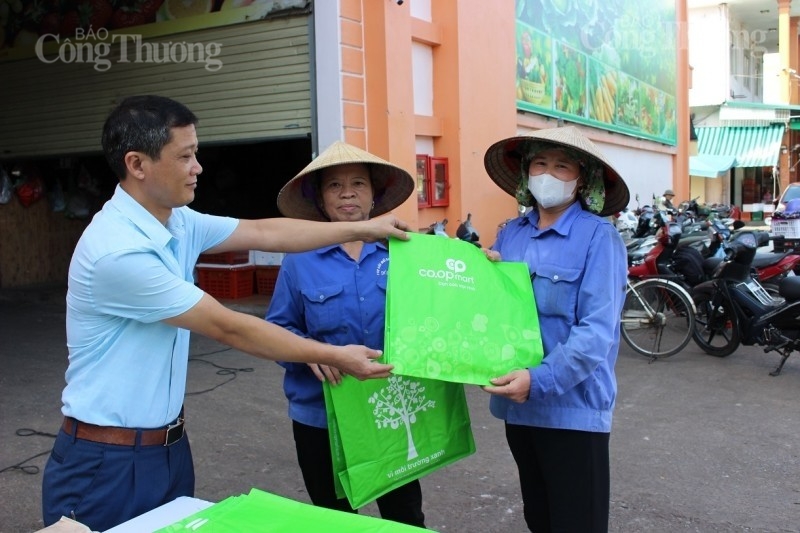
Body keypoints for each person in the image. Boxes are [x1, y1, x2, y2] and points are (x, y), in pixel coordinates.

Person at [41, 96, 411, 531]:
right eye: (184, 156)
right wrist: (333, 355)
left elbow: (263, 231)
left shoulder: (178, 221)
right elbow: (228, 326)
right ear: (137, 164)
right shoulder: (118, 251)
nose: (198, 167)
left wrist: (365, 227)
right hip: (106, 461)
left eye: (196, 153)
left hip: (168, 447)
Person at [265, 141, 426, 527]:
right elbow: (276, 328)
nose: (347, 193)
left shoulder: (404, 252)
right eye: (335, 185)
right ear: (320, 198)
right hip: (320, 416)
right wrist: (310, 351)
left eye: (358, 183)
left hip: (392, 412)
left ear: (374, 195)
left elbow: (440, 308)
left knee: (404, 516)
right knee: (334, 520)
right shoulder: (299, 260)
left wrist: (482, 267)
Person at [481, 126, 629, 532]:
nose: (548, 174)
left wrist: (539, 380)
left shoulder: (599, 237)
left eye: (562, 166)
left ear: (583, 179)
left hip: (573, 411)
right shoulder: (511, 233)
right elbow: (495, 313)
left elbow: (596, 332)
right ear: (526, 172)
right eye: (540, 163)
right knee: (540, 519)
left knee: (577, 524)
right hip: (519, 410)